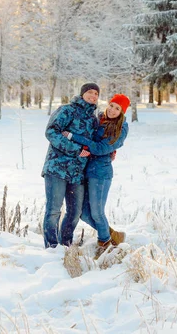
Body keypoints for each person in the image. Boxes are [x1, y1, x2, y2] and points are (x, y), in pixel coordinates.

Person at [63, 93, 130, 257]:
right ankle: (113, 234)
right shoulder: (98, 119)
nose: (112, 110)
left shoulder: (121, 128)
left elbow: (100, 148)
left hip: (100, 173)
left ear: (122, 112)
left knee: (97, 212)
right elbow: (91, 138)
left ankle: (105, 244)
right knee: (84, 213)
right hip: (86, 170)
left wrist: (73, 137)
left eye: (117, 109)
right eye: (112, 106)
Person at [41, 83, 99, 248]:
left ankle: (65, 244)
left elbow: (93, 144)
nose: (93, 96)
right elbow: (51, 131)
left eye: (96, 93)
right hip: (57, 168)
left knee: (75, 212)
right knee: (53, 210)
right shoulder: (67, 110)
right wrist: (75, 149)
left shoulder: (93, 119)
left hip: (77, 173)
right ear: (82, 94)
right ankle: (51, 247)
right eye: (89, 92)